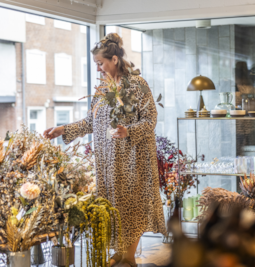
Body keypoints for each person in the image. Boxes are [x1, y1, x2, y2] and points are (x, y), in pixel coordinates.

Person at [43, 33, 166, 267]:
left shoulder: (137, 85)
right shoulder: (101, 89)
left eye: (101, 63)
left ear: (115, 60)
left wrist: (128, 131)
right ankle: (121, 253)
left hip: (133, 160)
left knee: (132, 206)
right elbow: (91, 122)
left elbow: (150, 119)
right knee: (113, 206)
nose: (98, 68)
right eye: (97, 64)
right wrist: (62, 129)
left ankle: (129, 257)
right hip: (107, 162)